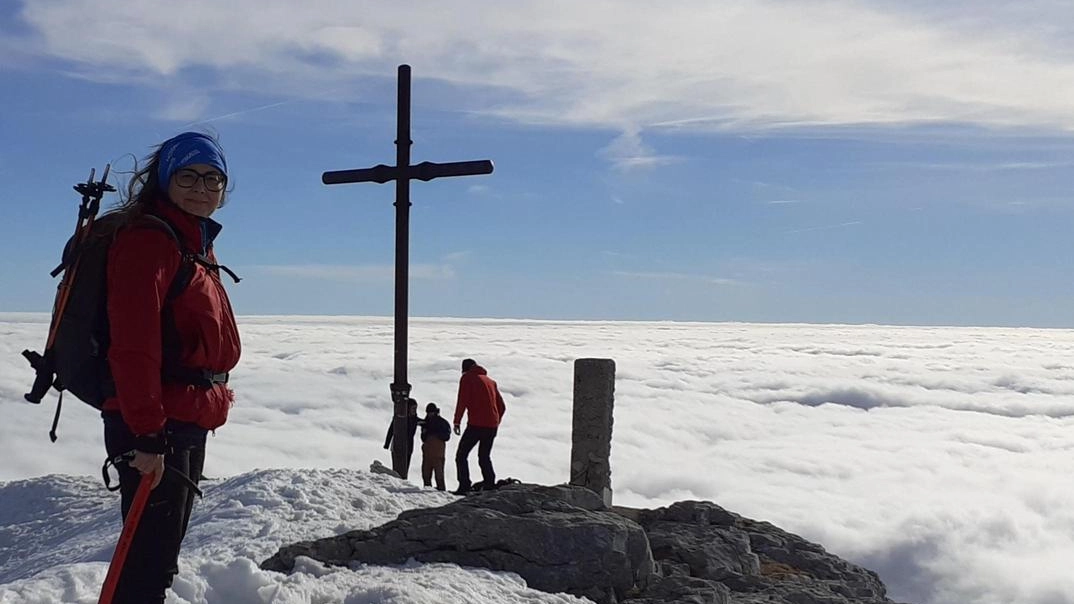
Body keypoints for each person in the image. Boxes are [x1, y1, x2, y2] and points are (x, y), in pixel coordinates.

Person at [101, 131, 241, 604]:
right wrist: (146, 433)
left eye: (213, 178)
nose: (202, 187)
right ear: (164, 180)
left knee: (157, 558)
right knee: (144, 564)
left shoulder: (192, 241)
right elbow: (133, 344)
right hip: (156, 424)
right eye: (188, 175)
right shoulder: (150, 241)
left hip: (182, 418)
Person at [452, 358, 506, 494]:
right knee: (484, 455)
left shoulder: (467, 378)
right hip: (492, 426)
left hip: (476, 424)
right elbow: (502, 406)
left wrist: (457, 421)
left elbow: (462, 400)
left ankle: (464, 486)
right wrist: (495, 421)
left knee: (461, 455)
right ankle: (489, 483)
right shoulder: (491, 382)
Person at [418, 402, 452, 490]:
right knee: (426, 475)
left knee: (439, 477)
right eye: (428, 412)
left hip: (438, 455)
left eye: (431, 412)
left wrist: (434, 433)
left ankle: (441, 493)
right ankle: (428, 494)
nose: (429, 414)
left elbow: (446, 437)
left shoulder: (442, 423)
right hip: (428, 454)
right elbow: (423, 438)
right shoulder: (426, 423)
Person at [383, 398, 420, 476]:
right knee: (397, 469)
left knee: (405, 469)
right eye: (413, 408)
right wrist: (387, 443)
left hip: (409, 447)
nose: (414, 410)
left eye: (415, 408)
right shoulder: (399, 418)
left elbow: (425, 423)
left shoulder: (415, 419)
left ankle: (403, 482)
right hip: (397, 446)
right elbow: (391, 430)